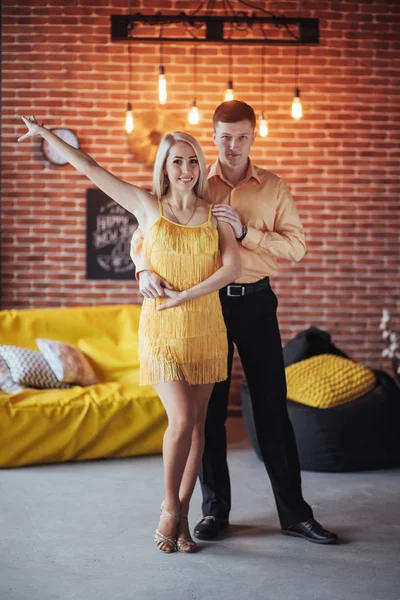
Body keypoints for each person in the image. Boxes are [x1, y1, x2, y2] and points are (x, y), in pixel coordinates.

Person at [18, 117, 241, 554]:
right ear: (164, 166)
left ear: (200, 165)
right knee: (179, 420)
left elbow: (232, 269)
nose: (186, 170)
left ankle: (181, 518)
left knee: (198, 428)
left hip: (206, 326)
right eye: (177, 161)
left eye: (192, 161)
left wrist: (187, 296)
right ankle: (170, 511)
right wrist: (46, 136)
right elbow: (93, 170)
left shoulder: (215, 213)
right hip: (162, 328)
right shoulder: (146, 205)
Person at [131, 100, 339, 545]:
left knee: (272, 408)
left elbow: (297, 247)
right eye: (224, 137)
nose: (232, 145)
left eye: (241, 136)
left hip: (256, 302)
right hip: (206, 309)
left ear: (254, 135)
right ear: (214, 137)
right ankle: (214, 513)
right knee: (208, 418)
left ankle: (295, 515)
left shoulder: (273, 188)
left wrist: (247, 233)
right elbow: (141, 234)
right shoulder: (193, 179)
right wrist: (142, 269)